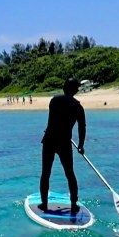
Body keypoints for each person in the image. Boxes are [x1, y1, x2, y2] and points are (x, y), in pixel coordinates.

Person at [39, 78, 86, 213]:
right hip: (64, 142)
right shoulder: (78, 107)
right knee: (70, 174)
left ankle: (44, 204)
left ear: (65, 88)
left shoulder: (54, 101)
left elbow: (54, 119)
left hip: (49, 140)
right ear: (76, 90)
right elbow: (82, 128)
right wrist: (81, 145)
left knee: (46, 173)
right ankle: (73, 205)